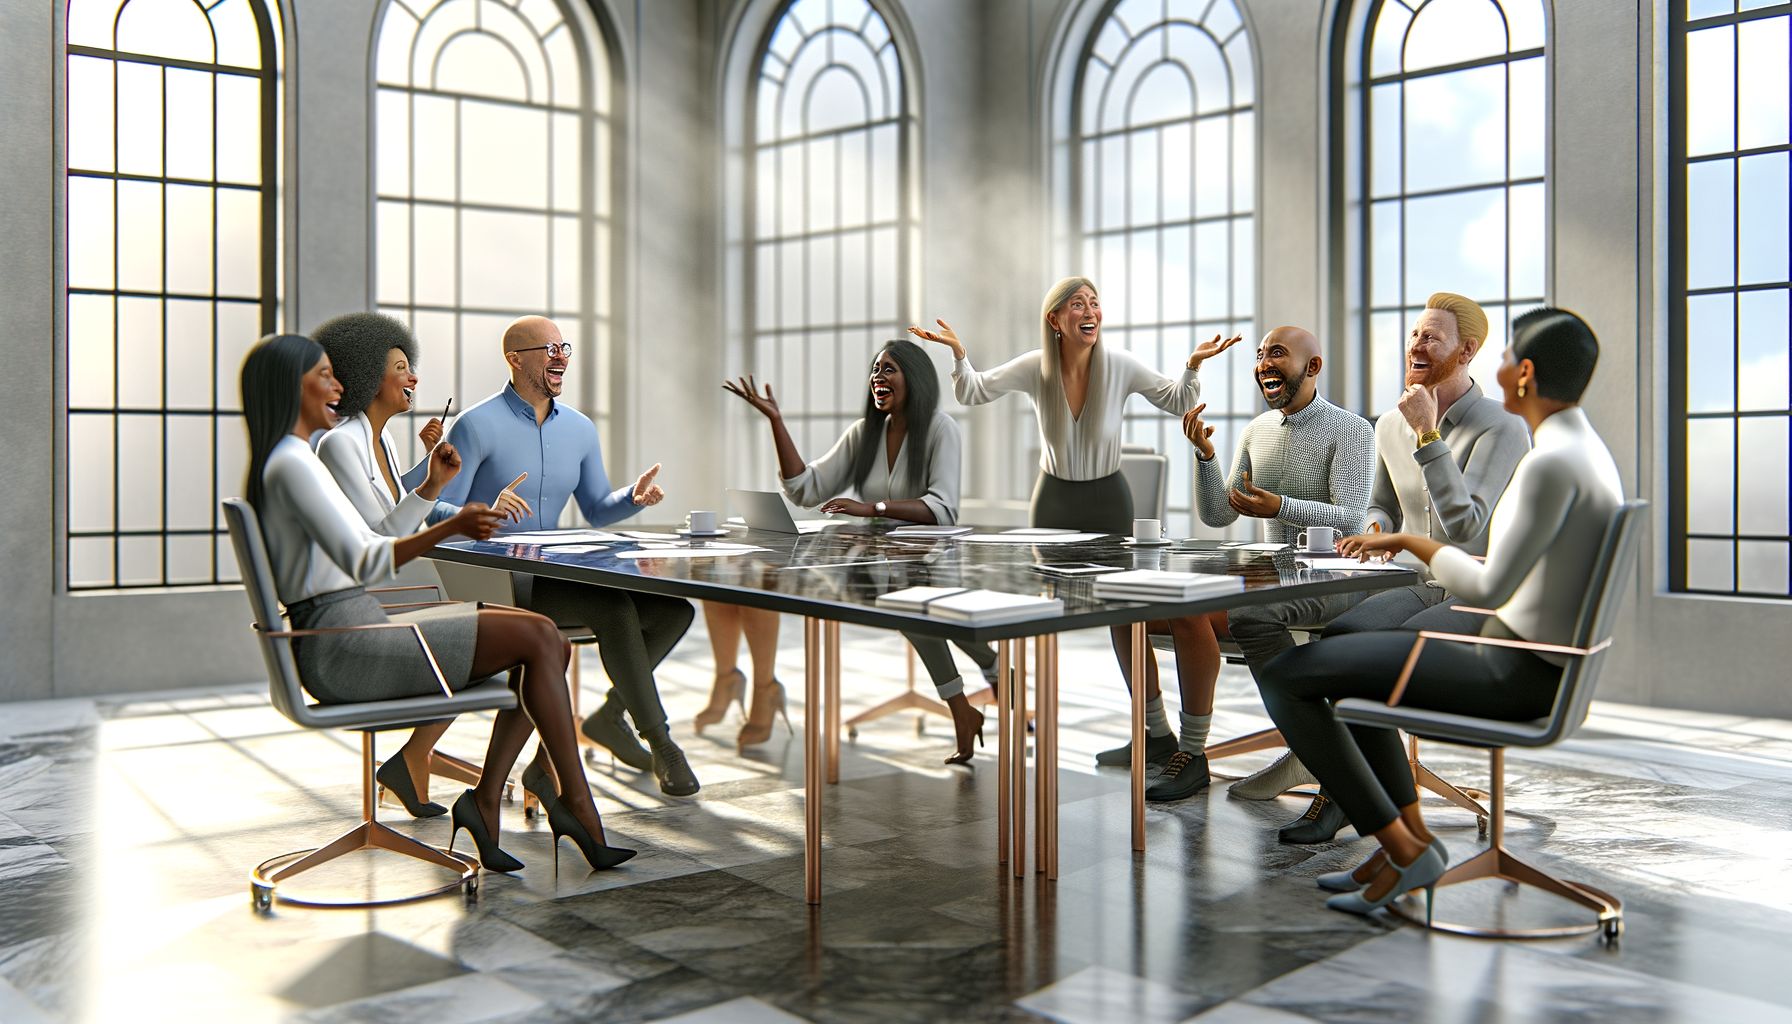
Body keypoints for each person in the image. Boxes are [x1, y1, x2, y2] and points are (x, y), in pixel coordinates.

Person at [1257, 307, 1620, 920]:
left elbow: (1487, 585)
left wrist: (1413, 545)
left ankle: (1406, 846)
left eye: (1504, 357)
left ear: (1523, 372)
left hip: (1509, 667)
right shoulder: (1585, 452)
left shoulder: (1548, 462)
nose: (1498, 367)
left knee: (1288, 674)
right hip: (1539, 660)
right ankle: (1406, 849)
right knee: (1346, 665)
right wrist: (1393, 534)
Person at [243, 333, 633, 872]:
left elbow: (371, 543)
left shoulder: (289, 459)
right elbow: (366, 559)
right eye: (325, 376)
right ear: (290, 387)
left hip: (353, 628)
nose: (339, 387)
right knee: (543, 638)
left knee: (553, 643)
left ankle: (489, 801)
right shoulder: (295, 463)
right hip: (346, 648)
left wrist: (432, 487)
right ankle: (571, 805)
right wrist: (456, 522)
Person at [1231, 295, 1532, 843]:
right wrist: (1372, 531)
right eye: (1414, 333)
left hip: (1464, 590)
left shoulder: (1501, 427)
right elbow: (1382, 506)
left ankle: (1353, 797)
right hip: (1404, 582)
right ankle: (1343, 777)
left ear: (1466, 351)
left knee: (1345, 654)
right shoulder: (1391, 422)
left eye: (1431, 337)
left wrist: (1428, 435)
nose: (1415, 344)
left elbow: (1465, 527)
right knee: (1314, 632)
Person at [910, 278, 1239, 768]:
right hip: (1054, 503)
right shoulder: (1034, 367)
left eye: (1095, 304)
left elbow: (1174, 399)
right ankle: (1131, 730)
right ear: (1055, 319)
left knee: (1124, 617)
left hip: (1109, 501)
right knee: (1048, 616)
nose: (1090, 312)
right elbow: (975, 391)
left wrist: (1191, 365)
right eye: (1078, 304)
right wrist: (959, 353)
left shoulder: (1120, 364)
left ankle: (1158, 735)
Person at [434, 316, 700, 798]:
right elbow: (432, 507)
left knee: (674, 610)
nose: (560, 356)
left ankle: (609, 715)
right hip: (494, 578)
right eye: (547, 348)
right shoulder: (476, 423)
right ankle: (661, 741)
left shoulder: (578, 429)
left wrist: (632, 499)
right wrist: (482, 511)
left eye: (564, 347)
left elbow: (597, 509)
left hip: (551, 574)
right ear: (515, 359)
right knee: (613, 607)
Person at [1116, 327, 1375, 803]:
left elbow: (1349, 520)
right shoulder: (1258, 430)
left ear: (1312, 367)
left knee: (1194, 607)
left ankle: (1236, 745)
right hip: (1269, 577)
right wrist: (1204, 454)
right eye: (1259, 356)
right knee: (1130, 607)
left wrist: (1279, 507)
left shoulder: (1352, 429)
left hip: (1331, 579)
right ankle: (1166, 742)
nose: (1263, 364)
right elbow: (1219, 513)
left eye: (1277, 353)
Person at [726, 338, 998, 762]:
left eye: (888, 369)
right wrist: (776, 421)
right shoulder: (864, 434)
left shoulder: (942, 428)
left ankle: (967, 704)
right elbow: (805, 488)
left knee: (914, 608)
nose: (877, 376)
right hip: (879, 564)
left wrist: (872, 508)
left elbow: (942, 509)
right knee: (901, 605)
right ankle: (990, 681)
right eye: (875, 369)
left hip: (933, 560)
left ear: (915, 378)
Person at [309, 311, 533, 817]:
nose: (413, 378)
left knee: (522, 632)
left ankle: (416, 762)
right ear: (368, 374)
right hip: (369, 614)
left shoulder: (380, 439)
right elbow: (385, 539)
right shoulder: (338, 444)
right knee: (527, 637)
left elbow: (395, 511)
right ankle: (491, 793)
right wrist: (434, 490)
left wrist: (431, 472)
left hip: (389, 599)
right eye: (400, 366)